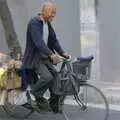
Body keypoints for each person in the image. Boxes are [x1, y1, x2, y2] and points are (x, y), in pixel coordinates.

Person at [23, 1, 70, 113]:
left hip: (44, 57)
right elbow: (39, 43)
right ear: (43, 11)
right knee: (47, 77)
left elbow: (54, 41)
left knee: (56, 77)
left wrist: (63, 53)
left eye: (54, 13)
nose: (53, 15)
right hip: (34, 58)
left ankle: (53, 105)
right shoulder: (34, 23)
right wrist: (51, 54)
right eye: (51, 12)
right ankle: (34, 94)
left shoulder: (47, 24)